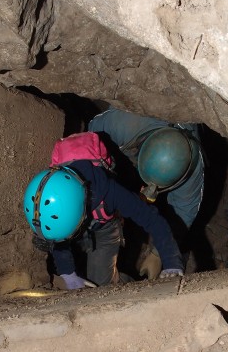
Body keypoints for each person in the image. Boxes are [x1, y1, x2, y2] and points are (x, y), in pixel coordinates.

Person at [23, 152, 185, 290]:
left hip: (104, 228)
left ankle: (126, 285)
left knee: (102, 285)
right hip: (76, 221)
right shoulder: (50, 192)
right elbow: (57, 236)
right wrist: (67, 272)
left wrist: (171, 261)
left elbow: (152, 220)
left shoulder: (111, 194)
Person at [88, 108, 204, 278]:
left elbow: (184, 211)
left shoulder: (191, 171)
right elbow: (88, 141)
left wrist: (157, 255)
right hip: (124, 147)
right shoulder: (118, 124)